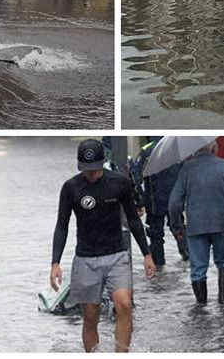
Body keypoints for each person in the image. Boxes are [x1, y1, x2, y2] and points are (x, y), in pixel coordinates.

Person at [52, 139, 156, 352]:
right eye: (86, 170)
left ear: (103, 162)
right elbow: (62, 226)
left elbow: (133, 220)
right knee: (91, 316)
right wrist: (55, 262)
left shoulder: (119, 183)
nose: (91, 174)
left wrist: (147, 254)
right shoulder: (71, 187)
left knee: (124, 305)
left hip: (117, 255)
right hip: (86, 259)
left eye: (95, 169)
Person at [168, 141, 224, 305]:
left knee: (198, 268)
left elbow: (174, 203)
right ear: (213, 147)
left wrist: (176, 226)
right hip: (221, 223)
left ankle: (201, 306)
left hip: (196, 226)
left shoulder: (187, 168)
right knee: (223, 261)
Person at [137, 139, 189, 269]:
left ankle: (159, 264)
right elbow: (186, 175)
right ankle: (188, 256)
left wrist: (140, 200)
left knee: (156, 235)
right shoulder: (178, 149)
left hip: (154, 200)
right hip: (174, 199)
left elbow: (137, 176)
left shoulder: (147, 150)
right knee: (178, 227)